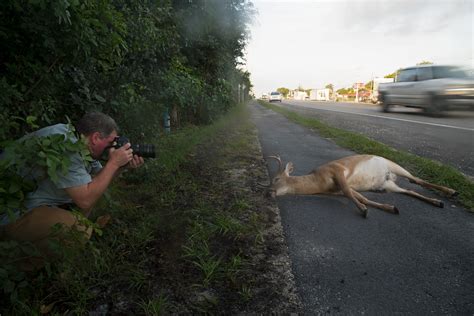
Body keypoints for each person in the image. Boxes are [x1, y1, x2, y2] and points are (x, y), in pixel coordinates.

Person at [0, 112, 144, 268]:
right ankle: (15, 267)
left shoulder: (79, 142)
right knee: (80, 230)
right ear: (95, 138)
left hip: (30, 202)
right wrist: (114, 163)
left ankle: (45, 255)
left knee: (91, 199)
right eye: (111, 143)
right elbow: (85, 200)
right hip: (10, 211)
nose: (112, 148)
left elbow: (98, 179)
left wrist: (120, 167)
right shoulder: (64, 145)